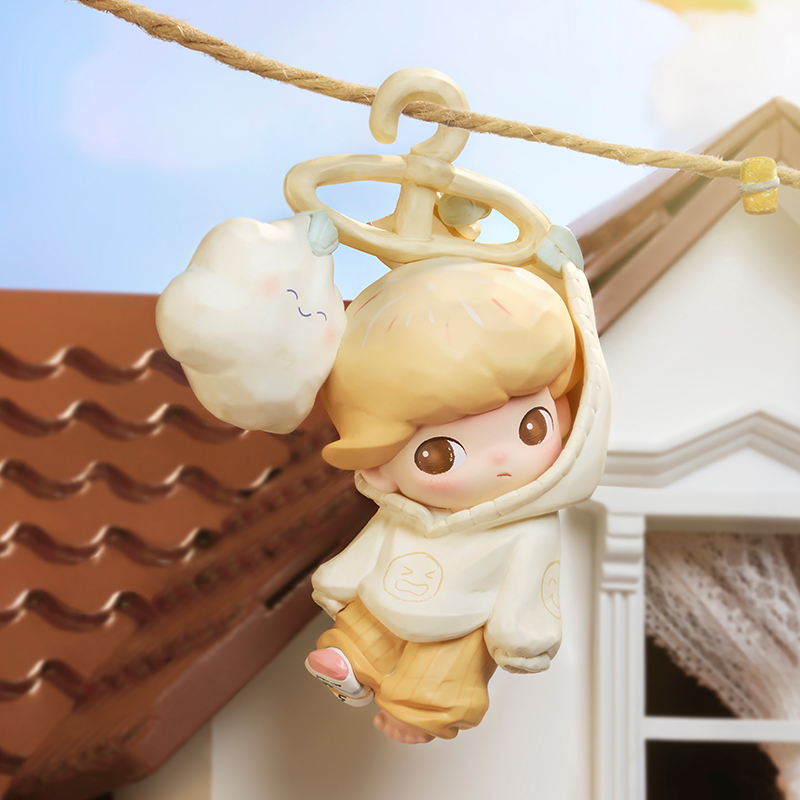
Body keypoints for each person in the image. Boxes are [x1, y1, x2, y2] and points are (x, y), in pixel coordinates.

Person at [306, 254, 610, 743]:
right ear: (380, 468)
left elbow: (530, 584)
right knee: (362, 629)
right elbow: (375, 541)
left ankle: (420, 711)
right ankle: (351, 660)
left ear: (563, 413)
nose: (500, 458)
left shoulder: (528, 526)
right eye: (441, 454)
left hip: (462, 623)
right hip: (388, 595)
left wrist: (521, 638)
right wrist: (341, 579)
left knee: (441, 674)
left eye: (531, 427)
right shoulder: (404, 510)